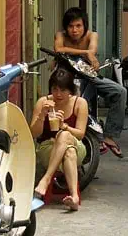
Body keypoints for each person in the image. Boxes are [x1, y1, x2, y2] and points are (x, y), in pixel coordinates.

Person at [54, 7, 126, 158]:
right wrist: (85, 53)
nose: (74, 30)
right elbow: (59, 49)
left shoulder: (92, 35)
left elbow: (92, 50)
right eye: (71, 26)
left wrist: (89, 53)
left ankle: (109, 135)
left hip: (88, 76)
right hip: (65, 79)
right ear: (66, 27)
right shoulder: (60, 35)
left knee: (120, 91)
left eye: (78, 26)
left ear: (84, 25)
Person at [31, 69, 88, 211]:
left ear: (70, 90)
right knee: (69, 152)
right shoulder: (44, 102)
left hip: (76, 144)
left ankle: (46, 179)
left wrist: (64, 126)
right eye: (55, 89)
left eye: (63, 90)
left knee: (64, 136)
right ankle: (74, 197)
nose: (58, 94)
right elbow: (33, 133)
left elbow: (80, 134)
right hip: (48, 148)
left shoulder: (80, 103)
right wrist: (41, 116)